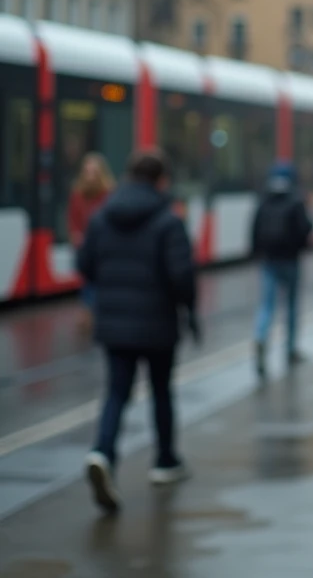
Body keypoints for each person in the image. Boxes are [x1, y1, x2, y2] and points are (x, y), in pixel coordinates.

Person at [77, 148, 199, 513]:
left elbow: (85, 265)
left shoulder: (102, 217)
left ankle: (103, 453)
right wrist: (188, 310)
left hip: (114, 323)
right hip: (158, 323)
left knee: (116, 392)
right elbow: (182, 277)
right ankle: (164, 460)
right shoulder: (168, 220)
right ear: (161, 180)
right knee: (161, 391)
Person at [250, 162, 313, 378]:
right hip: (291, 260)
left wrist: (257, 253)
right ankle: (290, 350)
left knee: (266, 305)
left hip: (269, 261)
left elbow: (254, 229)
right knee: (291, 307)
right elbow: (306, 229)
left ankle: (260, 337)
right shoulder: (296, 200)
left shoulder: (264, 199)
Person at [68, 153, 115, 310]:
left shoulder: (108, 193)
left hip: (103, 244)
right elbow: (73, 218)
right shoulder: (78, 194)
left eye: (93, 172)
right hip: (84, 245)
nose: (90, 176)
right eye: (87, 171)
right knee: (87, 280)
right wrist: (76, 235)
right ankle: (89, 310)